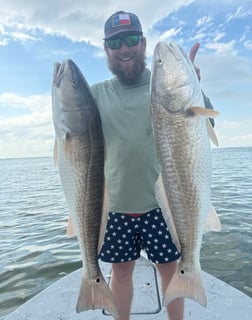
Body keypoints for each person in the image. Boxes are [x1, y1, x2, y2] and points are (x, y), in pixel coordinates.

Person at [90, 11, 215, 320]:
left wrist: (193, 86)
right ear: (106, 50)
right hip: (118, 207)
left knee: (171, 269)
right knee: (120, 274)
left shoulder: (162, 87)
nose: (125, 48)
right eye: (116, 42)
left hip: (166, 206)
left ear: (143, 43)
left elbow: (204, 119)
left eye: (131, 39)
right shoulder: (96, 95)